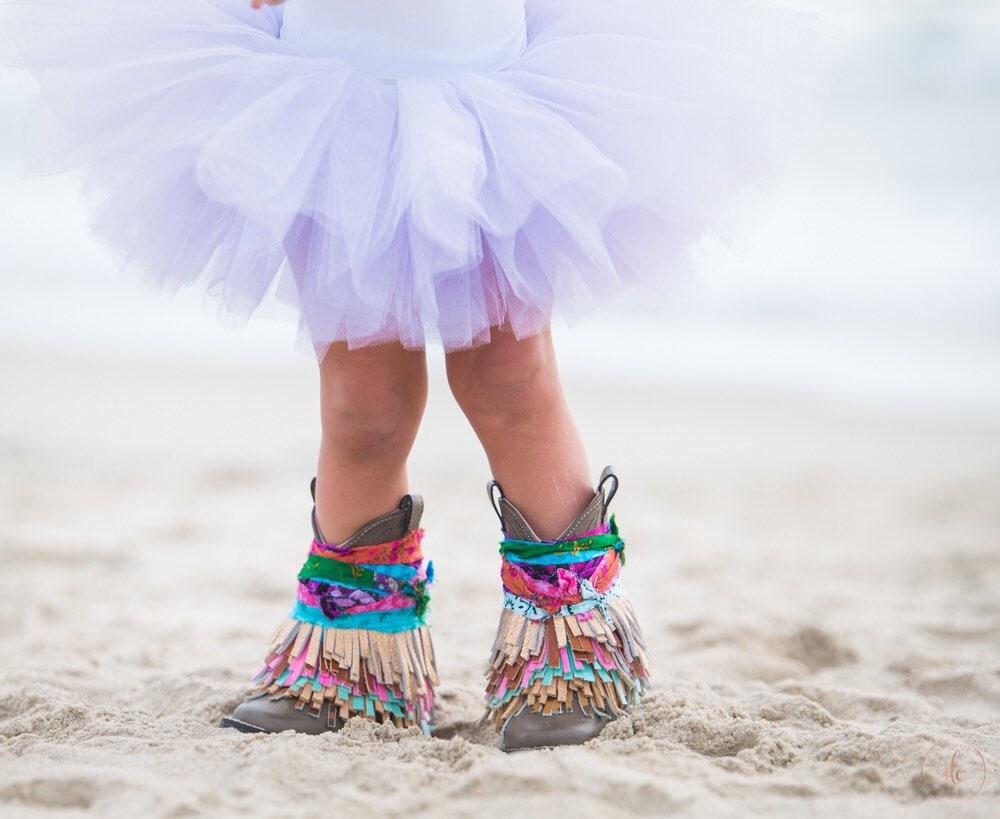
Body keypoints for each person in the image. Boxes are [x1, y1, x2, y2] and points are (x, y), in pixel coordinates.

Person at [7, 0, 827, 750]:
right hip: (331, 84)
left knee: (509, 373)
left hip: (487, 75)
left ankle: (575, 647)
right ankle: (358, 664)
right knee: (363, 405)